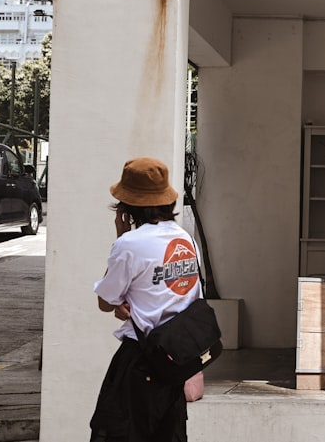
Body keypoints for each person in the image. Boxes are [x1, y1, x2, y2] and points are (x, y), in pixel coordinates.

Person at [89, 157, 201, 442]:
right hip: (175, 361)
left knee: (118, 433)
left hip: (139, 360)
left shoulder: (130, 244)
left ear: (127, 207)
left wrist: (119, 237)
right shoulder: (185, 239)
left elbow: (105, 300)